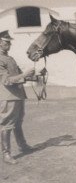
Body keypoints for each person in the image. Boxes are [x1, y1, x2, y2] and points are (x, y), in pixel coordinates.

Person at [0, 30, 35, 164]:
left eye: (9, 43)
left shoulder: (10, 59)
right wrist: (25, 75)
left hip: (18, 96)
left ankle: (23, 146)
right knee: (7, 125)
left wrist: (36, 75)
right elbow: (7, 81)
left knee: (18, 122)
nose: (9, 45)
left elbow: (20, 76)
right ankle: (6, 154)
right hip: (8, 97)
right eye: (6, 42)